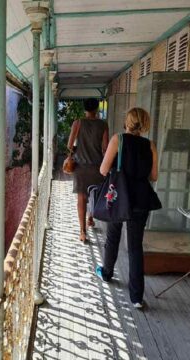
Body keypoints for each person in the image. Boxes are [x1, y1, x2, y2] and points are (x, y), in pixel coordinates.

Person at [95, 107, 159, 309]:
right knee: (135, 247)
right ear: (144, 124)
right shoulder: (150, 145)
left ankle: (106, 272)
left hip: (119, 196)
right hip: (141, 199)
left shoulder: (118, 140)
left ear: (128, 121)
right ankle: (137, 298)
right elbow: (154, 176)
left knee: (113, 236)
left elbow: (103, 170)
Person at [67, 98, 109, 242]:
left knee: (81, 198)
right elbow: (105, 148)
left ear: (84, 108)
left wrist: (79, 150)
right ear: (97, 108)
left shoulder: (78, 123)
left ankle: (82, 232)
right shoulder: (103, 125)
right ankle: (90, 218)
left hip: (81, 167)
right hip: (97, 167)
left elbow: (69, 145)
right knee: (94, 195)